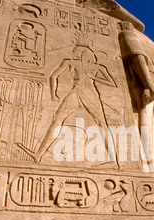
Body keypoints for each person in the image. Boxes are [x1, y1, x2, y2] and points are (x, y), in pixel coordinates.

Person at [18, 35, 118, 165]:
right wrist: (53, 94)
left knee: (99, 123)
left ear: (84, 53)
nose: (74, 53)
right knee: (58, 120)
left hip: (88, 94)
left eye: (76, 51)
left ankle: (114, 160)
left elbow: (112, 83)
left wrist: (93, 77)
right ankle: (38, 155)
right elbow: (53, 76)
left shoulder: (97, 67)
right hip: (77, 92)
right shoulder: (71, 62)